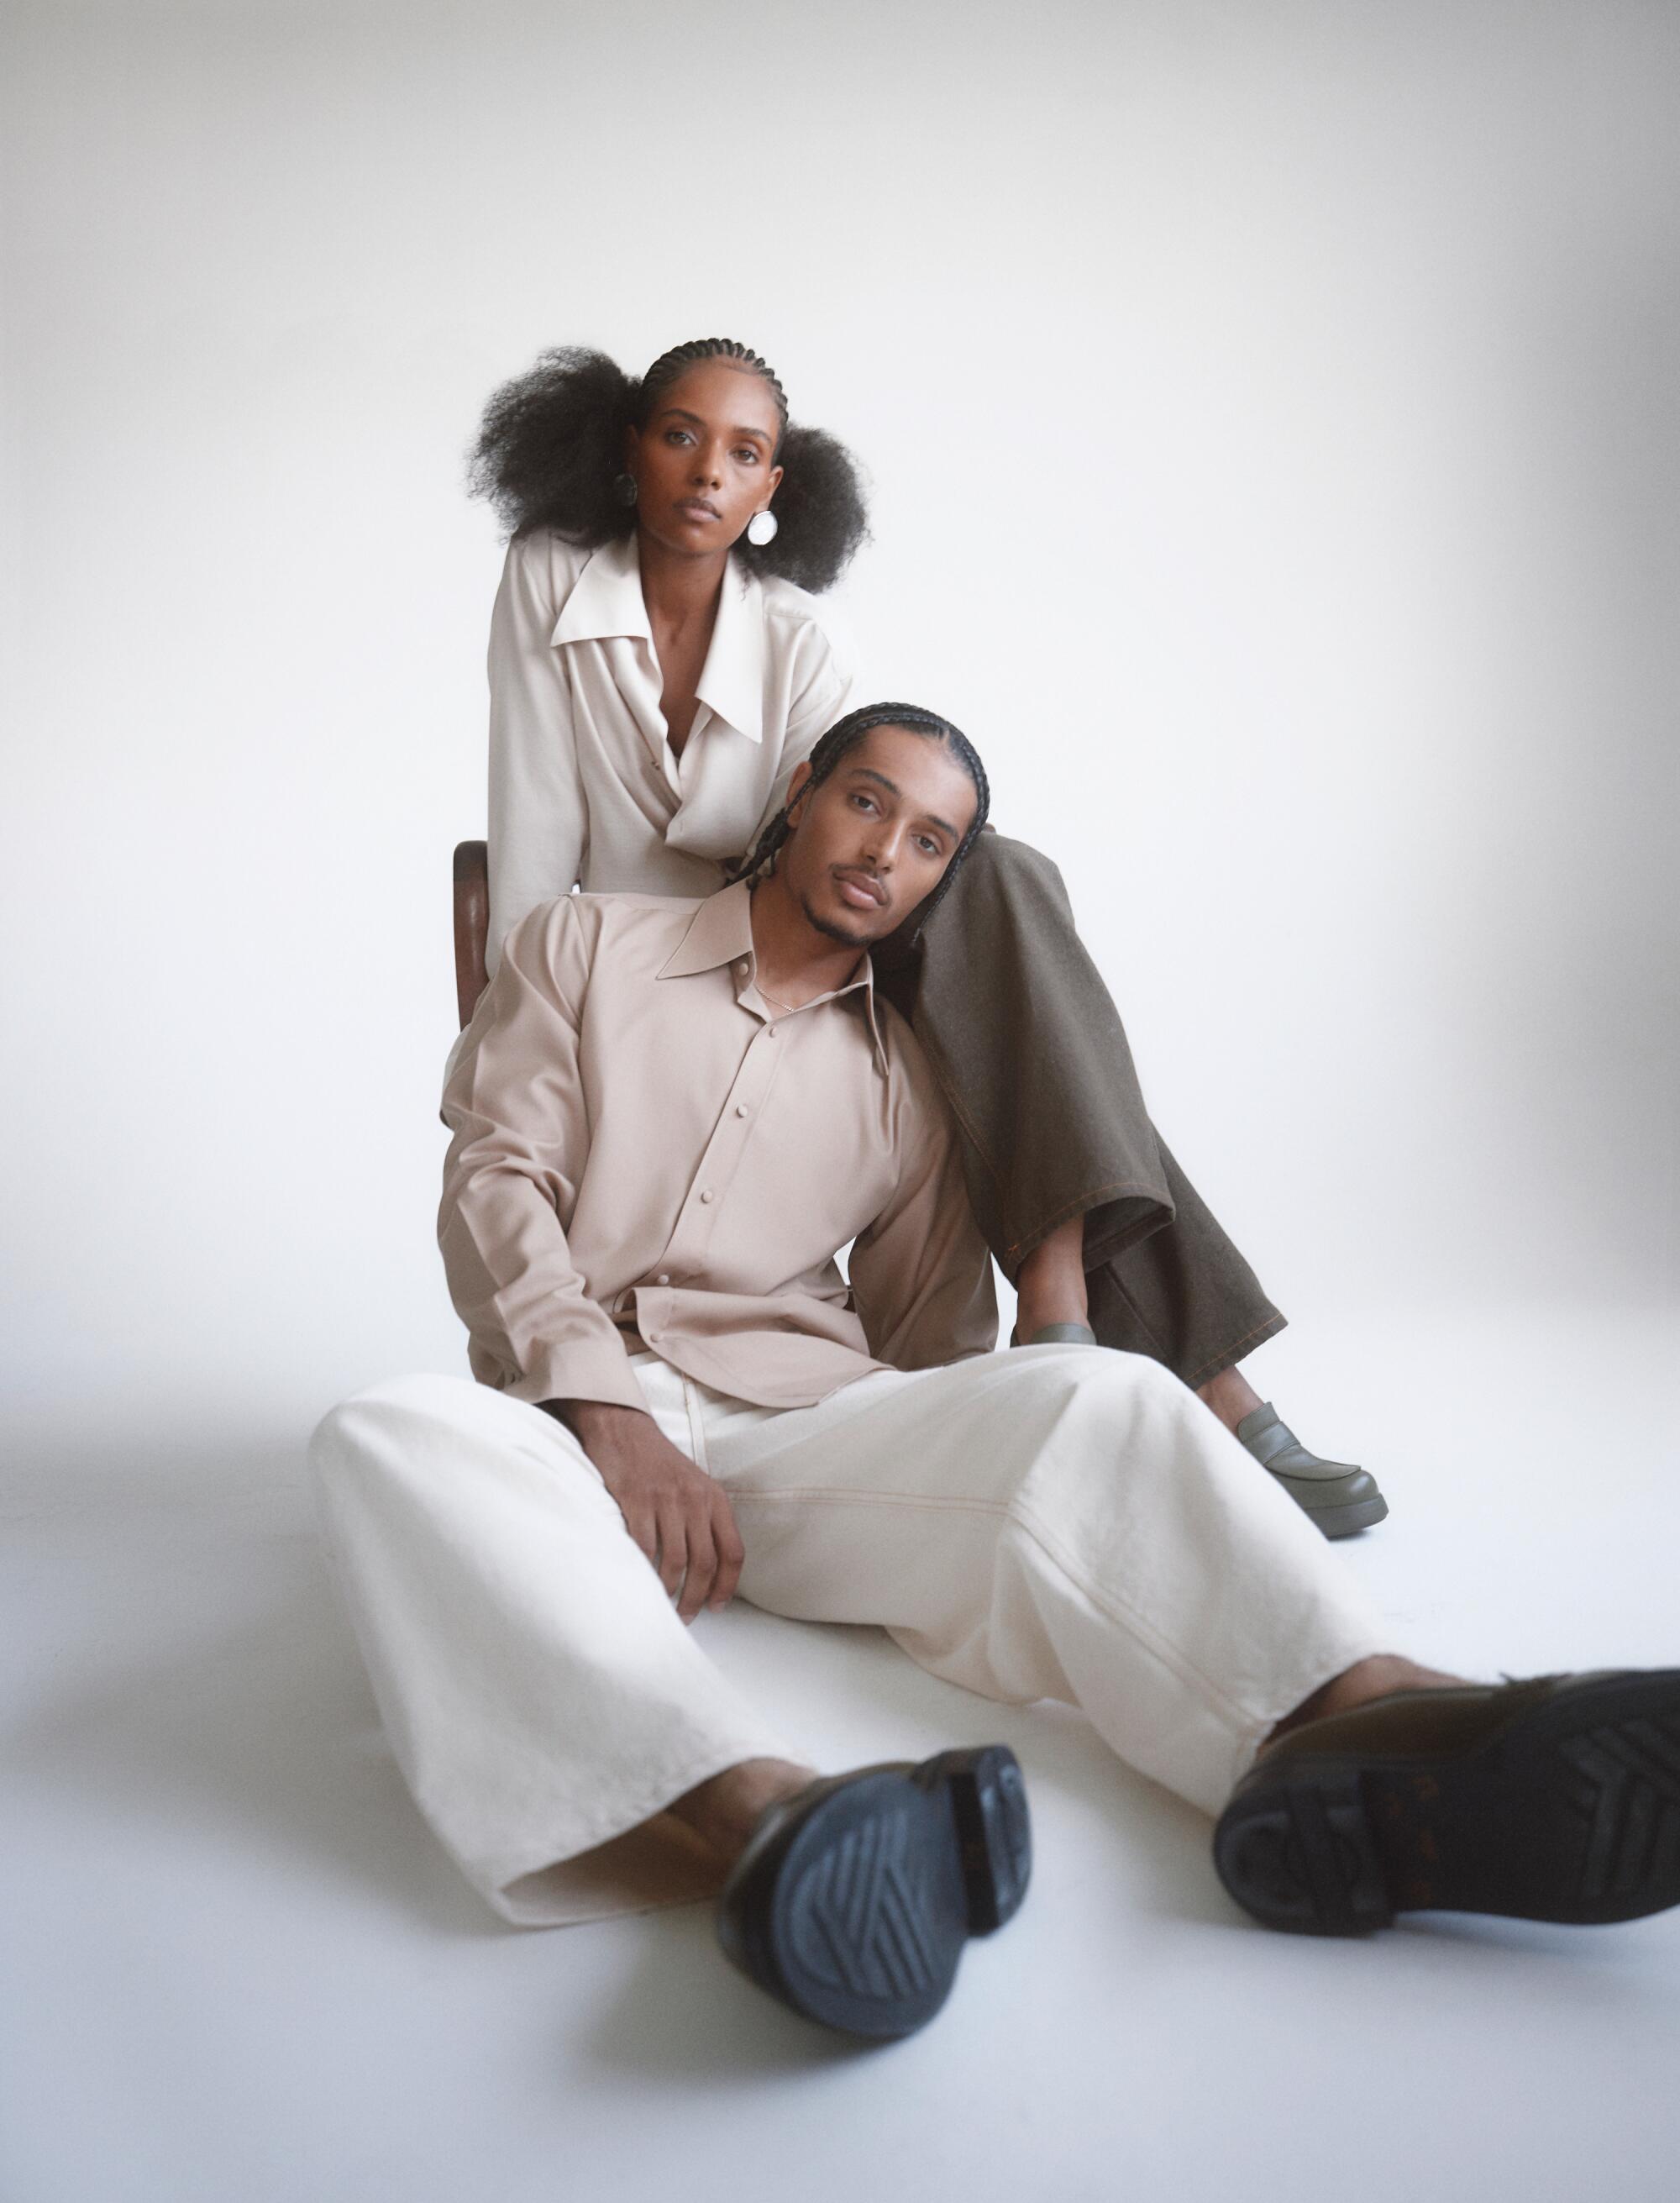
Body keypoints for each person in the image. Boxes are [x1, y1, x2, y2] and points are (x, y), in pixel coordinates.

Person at [313, 707, 1680, 2044]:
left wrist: (977, 1469)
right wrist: (597, 1400)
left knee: (1105, 1396)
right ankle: (763, 1819)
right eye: (866, 802)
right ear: (801, 790)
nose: (883, 853)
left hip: (787, 1431)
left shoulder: (912, 1077)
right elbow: (496, 1175)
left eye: (926, 842)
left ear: (940, 878)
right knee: (384, 1432)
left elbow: (928, 1355)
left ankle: (1364, 1719)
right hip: (566, 1420)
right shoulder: (587, 944)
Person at [466, 337, 1388, 1538]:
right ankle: (1178, 1360)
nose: (706, 473)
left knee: (986, 868)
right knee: (1006, 914)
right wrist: (529, 1007)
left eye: (745, 453)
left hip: (789, 908)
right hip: (646, 947)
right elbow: (533, 808)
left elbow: (826, 817)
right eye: (681, 435)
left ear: (773, 493)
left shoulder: (801, 641)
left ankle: (1072, 1300)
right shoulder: (550, 572)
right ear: (626, 444)